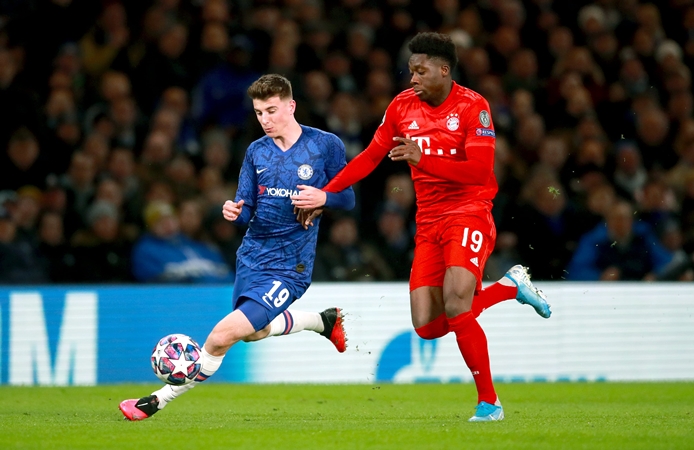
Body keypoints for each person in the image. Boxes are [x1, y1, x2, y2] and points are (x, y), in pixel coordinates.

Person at [291, 32, 551, 422]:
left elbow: (480, 171)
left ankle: (489, 403)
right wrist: (325, 195)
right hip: (428, 222)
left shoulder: (473, 106)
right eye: (411, 70)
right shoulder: (401, 106)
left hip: (469, 211)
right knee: (427, 326)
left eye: (420, 70)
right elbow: (370, 157)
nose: (412, 78)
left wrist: (422, 159)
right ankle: (509, 287)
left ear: (444, 70)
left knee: (457, 302)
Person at [120, 74, 355, 420]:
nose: (265, 120)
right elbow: (245, 206)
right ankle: (323, 321)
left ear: (291, 106)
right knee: (253, 333)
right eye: (259, 113)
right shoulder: (257, 151)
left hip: (291, 266)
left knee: (221, 336)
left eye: (271, 110)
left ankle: (156, 401)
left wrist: (323, 198)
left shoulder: (324, 145)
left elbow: (348, 198)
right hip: (252, 258)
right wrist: (235, 210)